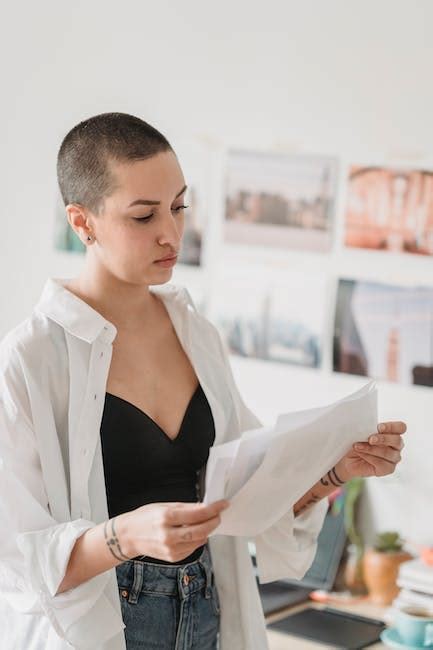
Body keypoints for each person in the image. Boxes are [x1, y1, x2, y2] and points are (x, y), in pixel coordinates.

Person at [0, 112, 406, 650]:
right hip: (104, 627)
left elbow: (247, 497)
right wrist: (124, 537)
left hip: (209, 609)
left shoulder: (195, 332)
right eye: (143, 216)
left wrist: (331, 473)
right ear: (82, 222)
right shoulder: (28, 360)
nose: (171, 233)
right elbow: (16, 559)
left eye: (178, 206)